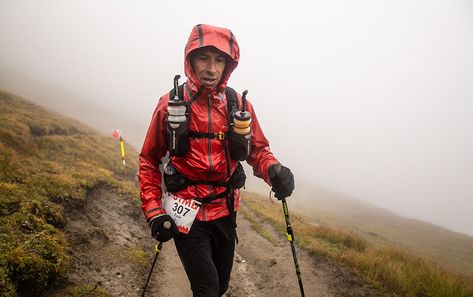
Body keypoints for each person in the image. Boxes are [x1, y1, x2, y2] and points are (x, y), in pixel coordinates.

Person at [138, 24, 295, 297]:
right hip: (185, 211)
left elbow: (257, 150)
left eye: (219, 59)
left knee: (221, 285)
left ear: (229, 64)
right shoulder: (169, 105)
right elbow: (149, 161)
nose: (211, 68)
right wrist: (154, 211)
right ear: (190, 59)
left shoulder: (238, 105)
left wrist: (274, 170)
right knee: (207, 287)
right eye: (204, 58)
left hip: (225, 209)